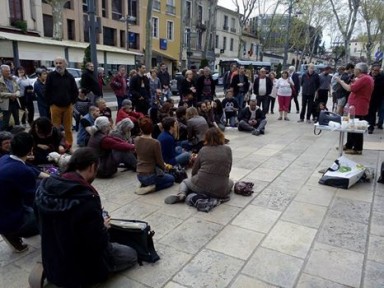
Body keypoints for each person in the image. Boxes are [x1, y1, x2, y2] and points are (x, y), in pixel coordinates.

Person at [35, 147, 137, 287]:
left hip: (52, 260)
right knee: (131, 254)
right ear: (92, 167)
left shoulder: (44, 186)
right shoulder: (85, 199)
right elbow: (97, 243)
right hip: (79, 270)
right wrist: (102, 226)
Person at [164, 127, 233, 204]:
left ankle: (182, 194)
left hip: (202, 185)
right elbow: (228, 169)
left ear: (207, 138)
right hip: (220, 190)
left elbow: (194, 170)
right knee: (231, 182)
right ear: (221, 136)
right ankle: (209, 192)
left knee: (185, 182)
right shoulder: (228, 150)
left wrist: (194, 179)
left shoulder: (203, 150)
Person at [0, 132, 39, 253]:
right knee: (49, 215)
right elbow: (33, 201)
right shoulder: (22, 171)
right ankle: (12, 233)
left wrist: (48, 176)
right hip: (8, 217)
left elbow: (30, 169)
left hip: (4, 208)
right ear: (30, 150)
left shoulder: (4, 158)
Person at [336, 62, 374, 155]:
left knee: (356, 128)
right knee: (350, 126)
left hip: (358, 107)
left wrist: (341, 81)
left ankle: (357, 148)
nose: (354, 70)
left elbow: (350, 88)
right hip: (353, 106)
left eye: (355, 68)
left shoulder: (365, 78)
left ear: (359, 70)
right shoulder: (363, 78)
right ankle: (349, 144)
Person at [135, 116, 175, 194]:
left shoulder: (136, 139)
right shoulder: (155, 143)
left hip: (139, 174)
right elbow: (160, 161)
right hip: (150, 174)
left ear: (141, 129)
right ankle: (152, 187)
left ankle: (145, 184)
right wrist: (165, 169)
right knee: (171, 179)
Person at [45, 56, 78, 148]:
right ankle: (56, 145)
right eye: (56, 63)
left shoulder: (70, 77)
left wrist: (72, 101)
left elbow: (75, 91)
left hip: (68, 106)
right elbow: (46, 91)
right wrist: (51, 103)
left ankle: (69, 145)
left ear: (65, 64)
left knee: (68, 128)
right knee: (55, 128)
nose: (58, 65)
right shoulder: (51, 76)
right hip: (55, 106)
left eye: (60, 63)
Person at [0, 64, 20, 130]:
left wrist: (16, 94)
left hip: (15, 102)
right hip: (6, 104)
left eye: (9, 71)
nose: (8, 72)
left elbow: (18, 89)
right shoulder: (0, 80)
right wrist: (11, 95)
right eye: (6, 71)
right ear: (2, 71)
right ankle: (4, 137)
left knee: (17, 121)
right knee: (5, 122)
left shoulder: (13, 79)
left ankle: (18, 135)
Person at [367, 64, 384, 134]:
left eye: (377, 70)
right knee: (366, 113)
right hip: (366, 98)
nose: (375, 72)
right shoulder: (367, 76)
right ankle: (366, 125)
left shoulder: (381, 78)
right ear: (371, 70)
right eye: (374, 70)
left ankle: (371, 127)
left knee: (372, 113)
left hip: (375, 99)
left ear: (379, 71)